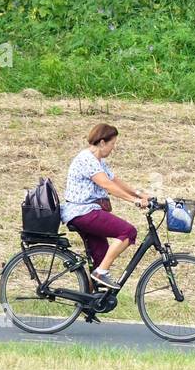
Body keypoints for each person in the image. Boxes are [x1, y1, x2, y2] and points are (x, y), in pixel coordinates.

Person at [62, 124, 147, 289]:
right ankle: (101, 272)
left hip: (86, 213)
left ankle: (88, 302)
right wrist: (134, 201)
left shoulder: (97, 161)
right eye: (112, 144)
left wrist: (140, 194)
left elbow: (115, 180)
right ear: (102, 142)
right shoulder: (87, 159)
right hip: (83, 212)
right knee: (128, 232)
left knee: (100, 255)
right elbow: (107, 185)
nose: (113, 148)